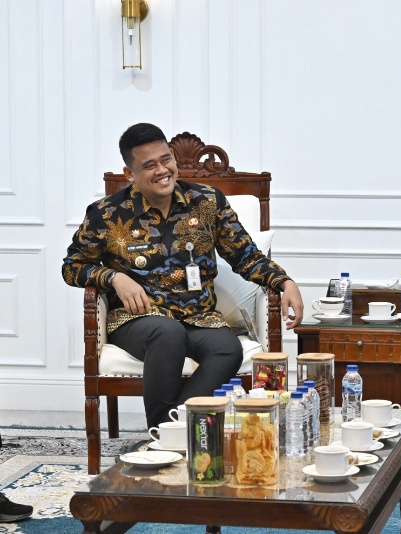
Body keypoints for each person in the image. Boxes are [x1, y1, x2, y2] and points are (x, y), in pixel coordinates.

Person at [62, 123, 304, 429]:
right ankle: (170, 434)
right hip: (137, 320)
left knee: (227, 348)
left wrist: (284, 281)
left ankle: (166, 432)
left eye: (166, 159)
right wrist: (113, 278)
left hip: (198, 317)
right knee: (167, 333)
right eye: (149, 165)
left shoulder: (207, 202)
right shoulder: (107, 213)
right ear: (130, 174)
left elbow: (245, 256)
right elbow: (72, 266)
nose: (162, 170)